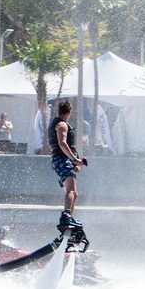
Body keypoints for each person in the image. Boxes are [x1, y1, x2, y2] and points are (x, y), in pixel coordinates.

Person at [51, 99, 86, 231]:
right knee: (71, 191)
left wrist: (74, 163)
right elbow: (62, 143)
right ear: (69, 112)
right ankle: (66, 216)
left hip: (62, 160)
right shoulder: (62, 124)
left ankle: (69, 218)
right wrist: (75, 159)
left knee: (73, 193)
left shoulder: (60, 123)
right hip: (61, 160)